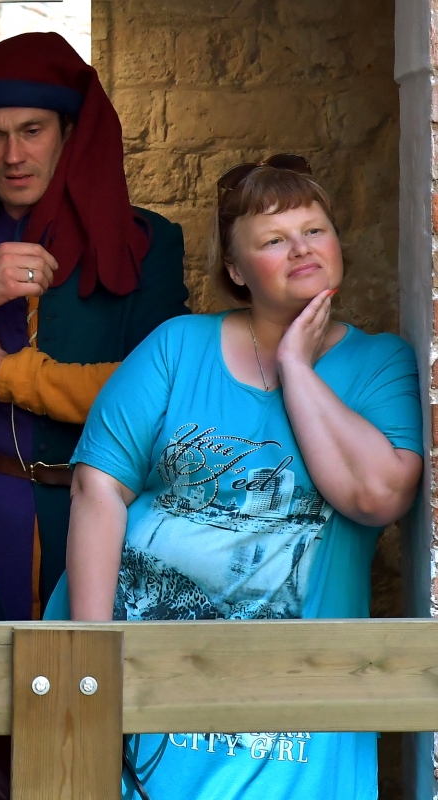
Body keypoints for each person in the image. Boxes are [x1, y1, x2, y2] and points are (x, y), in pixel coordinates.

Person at [59, 158, 422, 798]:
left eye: (315, 230)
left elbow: (377, 496)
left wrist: (296, 367)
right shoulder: (177, 346)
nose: (302, 249)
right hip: (146, 687)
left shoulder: (379, 363)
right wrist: (91, 667)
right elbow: (98, 487)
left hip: (290, 723)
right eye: (275, 239)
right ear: (235, 269)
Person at [0, 32, 189, 621]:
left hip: (116, 520)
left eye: (32, 131)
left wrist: (9, 372)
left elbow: (162, 403)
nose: (12, 156)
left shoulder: (146, 246)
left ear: (68, 133)